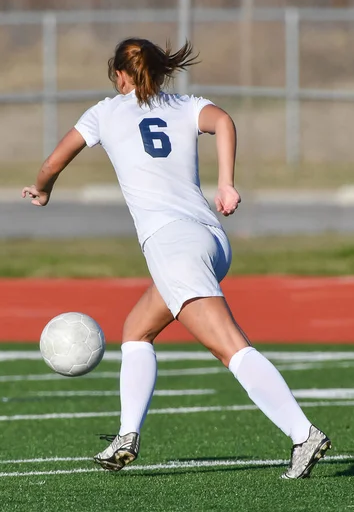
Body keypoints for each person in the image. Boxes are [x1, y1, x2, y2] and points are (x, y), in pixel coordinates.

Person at [22, 38, 331, 479]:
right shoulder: (185, 104)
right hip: (210, 239)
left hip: (173, 246)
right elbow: (223, 120)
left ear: (120, 74)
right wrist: (226, 183)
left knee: (229, 347)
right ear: (159, 71)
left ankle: (303, 434)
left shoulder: (105, 113)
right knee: (136, 330)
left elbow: (53, 162)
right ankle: (127, 436)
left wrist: (43, 189)